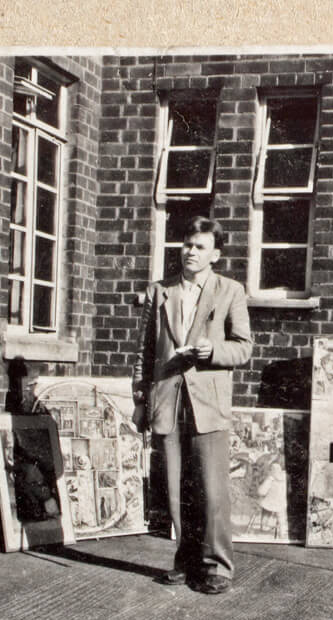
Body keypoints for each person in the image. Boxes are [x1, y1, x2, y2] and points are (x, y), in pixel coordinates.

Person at [133, 217, 253, 594]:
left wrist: (213, 350)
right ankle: (185, 562)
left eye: (200, 247)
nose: (190, 251)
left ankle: (217, 566)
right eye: (187, 244)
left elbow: (244, 347)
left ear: (215, 254)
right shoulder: (160, 291)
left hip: (208, 402)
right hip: (167, 398)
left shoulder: (229, 290)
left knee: (212, 489)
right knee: (175, 487)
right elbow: (146, 353)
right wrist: (140, 400)